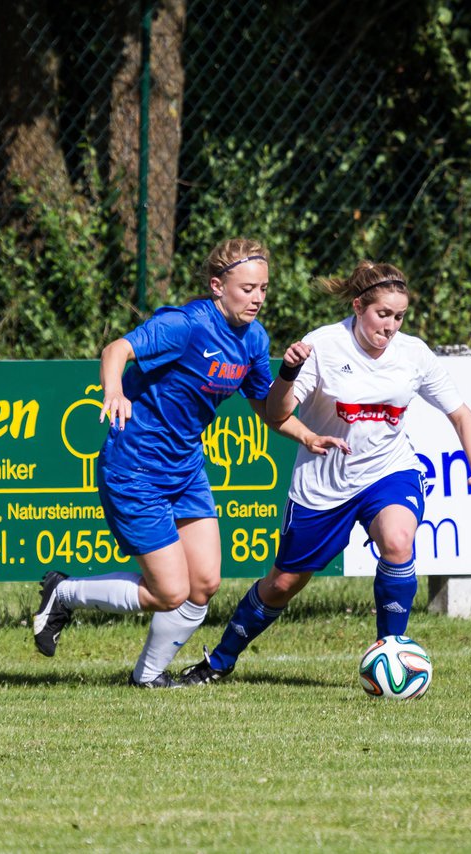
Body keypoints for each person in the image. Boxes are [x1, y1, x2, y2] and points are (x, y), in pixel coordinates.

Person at [31, 238, 345, 688]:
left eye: (264, 289)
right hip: (135, 468)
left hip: (186, 470)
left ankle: (148, 678)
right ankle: (63, 593)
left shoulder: (253, 340)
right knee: (169, 591)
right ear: (218, 286)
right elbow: (115, 351)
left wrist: (307, 434)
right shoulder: (185, 324)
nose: (257, 298)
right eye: (247, 288)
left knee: (204, 584)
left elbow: (266, 407)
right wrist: (114, 391)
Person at [178, 260, 471, 686]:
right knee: (284, 582)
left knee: (399, 540)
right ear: (358, 306)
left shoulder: (413, 354)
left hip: (389, 470)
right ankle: (219, 661)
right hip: (324, 484)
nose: (391, 327)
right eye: (383, 315)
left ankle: (392, 654)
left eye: (399, 317)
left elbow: (461, 415)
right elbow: (276, 413)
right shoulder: (324, 346)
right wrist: (288, 372)